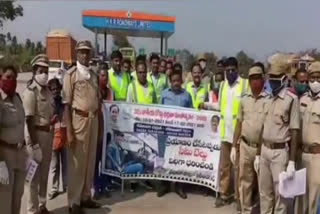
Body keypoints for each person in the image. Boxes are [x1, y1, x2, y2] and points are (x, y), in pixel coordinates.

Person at [63, 40, 101, 214]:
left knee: (90, 161)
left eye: (87, 52)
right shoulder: (71, 75)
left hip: (93, 120)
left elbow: (97, 102)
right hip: (78, 120)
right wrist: (69, 131)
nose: (85, 55)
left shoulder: (93, 75)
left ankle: (86, 196)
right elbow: (66, 105)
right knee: (77, 163)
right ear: (77, 54)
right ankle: (74, 202)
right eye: (82, 52)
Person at [259, 55, 299, 214]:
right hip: (264, 151)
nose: (272, 80)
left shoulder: (291, 100)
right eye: (270, 77)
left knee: (281, 196)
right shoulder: (267, 98)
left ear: (284, 78)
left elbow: (295, 131)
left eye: (276, 77)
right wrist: (257, 155)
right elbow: (263, 127)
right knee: (264, 194)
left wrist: (291, 162)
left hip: (280, 153)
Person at [230, 66, 268, 214]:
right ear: (249, 81)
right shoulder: (244, 99)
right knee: (244, 182)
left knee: (262, 185)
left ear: (263, 79)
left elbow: (266, 128)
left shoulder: (269, 100)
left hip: (262, 149)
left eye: (258, 78)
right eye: (252, 79)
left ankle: (259, 210)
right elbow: (239, 123)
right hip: (245, 146)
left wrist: (259, 153)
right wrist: (234, 146)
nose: (255, 82)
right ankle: (245, 210)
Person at [214, 57, 248, 209]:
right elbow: (219, 106)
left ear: (237, 69)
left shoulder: (244, 85)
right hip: (225, 135)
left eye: (233, 70)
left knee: (239, 169)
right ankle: (223, 195)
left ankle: (239, 199)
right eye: (227, 70)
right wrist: (204, 105)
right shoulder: (222, 86)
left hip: (239, 136)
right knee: (224, 167)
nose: (230, 73)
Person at [23, 54, 54, 214]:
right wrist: (35, 146)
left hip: (47, 136)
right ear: (34, 71)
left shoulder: (47, 91)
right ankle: (32, 210)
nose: (45, 74)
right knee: (33, 177)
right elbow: (29, 120)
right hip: (35, 137)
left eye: (47, 71)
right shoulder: (30, 92)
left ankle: (42, 206)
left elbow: (48, 113)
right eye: (41, 71)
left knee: (44, 175)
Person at [157, 68, 193, 199]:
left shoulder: (187, 95)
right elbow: (158, 112)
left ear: (182, 81)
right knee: (165, 159)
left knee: (179, 160)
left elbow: (192, 114)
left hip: (181, 134)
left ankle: (179, 186)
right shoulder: (164, 94)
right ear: (170, 82)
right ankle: (164, 185)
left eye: (178, 80)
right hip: (166, 133)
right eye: (173, 81)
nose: (176, 83)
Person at [0, 65, 26, 214]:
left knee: (18, 194)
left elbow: (22, 124)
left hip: (20, 153)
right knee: (4, 196)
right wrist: (0, 163)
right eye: (8, 77)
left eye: (14, 78)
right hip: (5, 154)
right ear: (1, 78)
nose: (12, 81)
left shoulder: (17, 98)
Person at [295, 62, 320, 214]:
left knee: (314, 196)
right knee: (300, 196)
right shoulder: (302, 99)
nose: (315, 82)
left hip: (317, 156)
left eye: (319, 78)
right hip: (301, 154)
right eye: (312, 78)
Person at [93, 66, 114, 199]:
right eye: (102, 75)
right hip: (96, 130)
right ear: (97, 77)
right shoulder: (94, 92)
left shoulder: (111, 92)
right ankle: (96, 187)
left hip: (107, 131)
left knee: (105, 161)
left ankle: (105, 186)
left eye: (106, 76)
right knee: (96, 162)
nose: (105, 78)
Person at [48, 78, 67, 200]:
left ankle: (66, 186)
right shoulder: (48, 104)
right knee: (54, 166)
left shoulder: (63, 103)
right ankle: (54, 188)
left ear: (60, 89)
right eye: (53, 89)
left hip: (64, 137)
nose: (55, 91)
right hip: (53, 138)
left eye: (57, 89)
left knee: (66, 164)